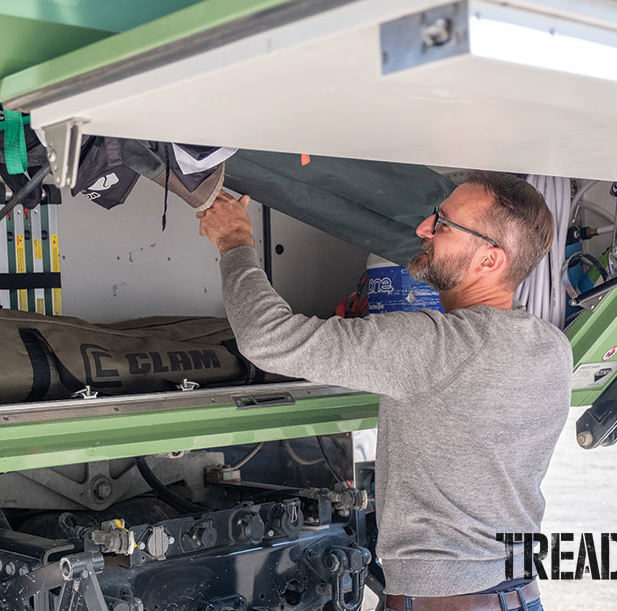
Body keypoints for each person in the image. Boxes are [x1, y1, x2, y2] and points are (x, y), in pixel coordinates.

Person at [196, 171, 572, 611]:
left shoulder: (440, 346)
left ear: (490, 260)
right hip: (515, 593)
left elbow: (268, 339)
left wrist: (235, 242)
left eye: (444, 226)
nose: (423, 230)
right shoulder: (552, 347)